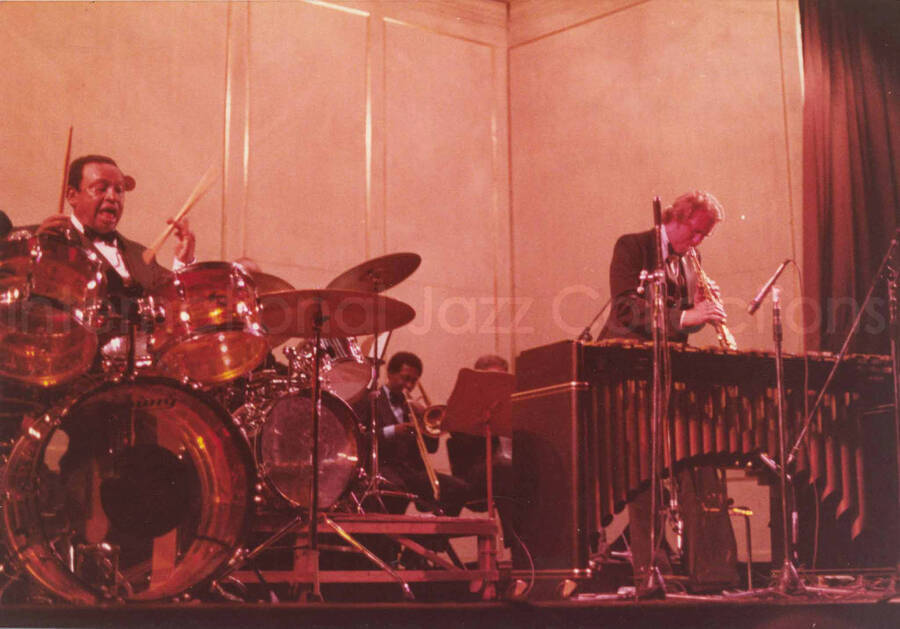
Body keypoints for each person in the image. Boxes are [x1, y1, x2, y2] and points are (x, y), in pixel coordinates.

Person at [598, 191, 738, 590]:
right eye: (695, 233)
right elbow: (625, 309)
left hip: (670, 373)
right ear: (676, 218)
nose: (697, 243)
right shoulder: (633, 246)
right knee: (644, 475)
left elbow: (680, 325)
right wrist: (686, 315)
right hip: (629, 372)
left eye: (703, 237)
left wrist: (700, 313)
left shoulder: (690, 259)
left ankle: (707, 573)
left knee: (695, 465)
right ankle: (650, 573)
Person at [35, 154, 195, 295]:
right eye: (101, 189)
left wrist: (184, 261)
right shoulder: (53, 243)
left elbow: (173, 300)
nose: (113, 197)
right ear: (72, 195)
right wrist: (35, 252)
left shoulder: (142, 255)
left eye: (119, 190)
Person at [353, 351, 471, 517]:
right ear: (390, 374)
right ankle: (396, 539)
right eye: (405, 378)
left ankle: (432, 537)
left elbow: (431, 448)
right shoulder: (371, 400)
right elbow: (360, 440)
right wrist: (394, 431)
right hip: (384, 469)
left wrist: (423, 418)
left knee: (459, 488)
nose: (409, 385)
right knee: (395, 491)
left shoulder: (413, 407)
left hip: (411, 472)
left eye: (414, 381)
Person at [445, 354, 517, 545]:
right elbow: (457, 439)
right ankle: (515, 539)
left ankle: (537, 547)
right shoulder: (467, 407)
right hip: (476, 474)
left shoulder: (512, 406)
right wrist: (481, 423)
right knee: (503, 469)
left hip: (508, 473)